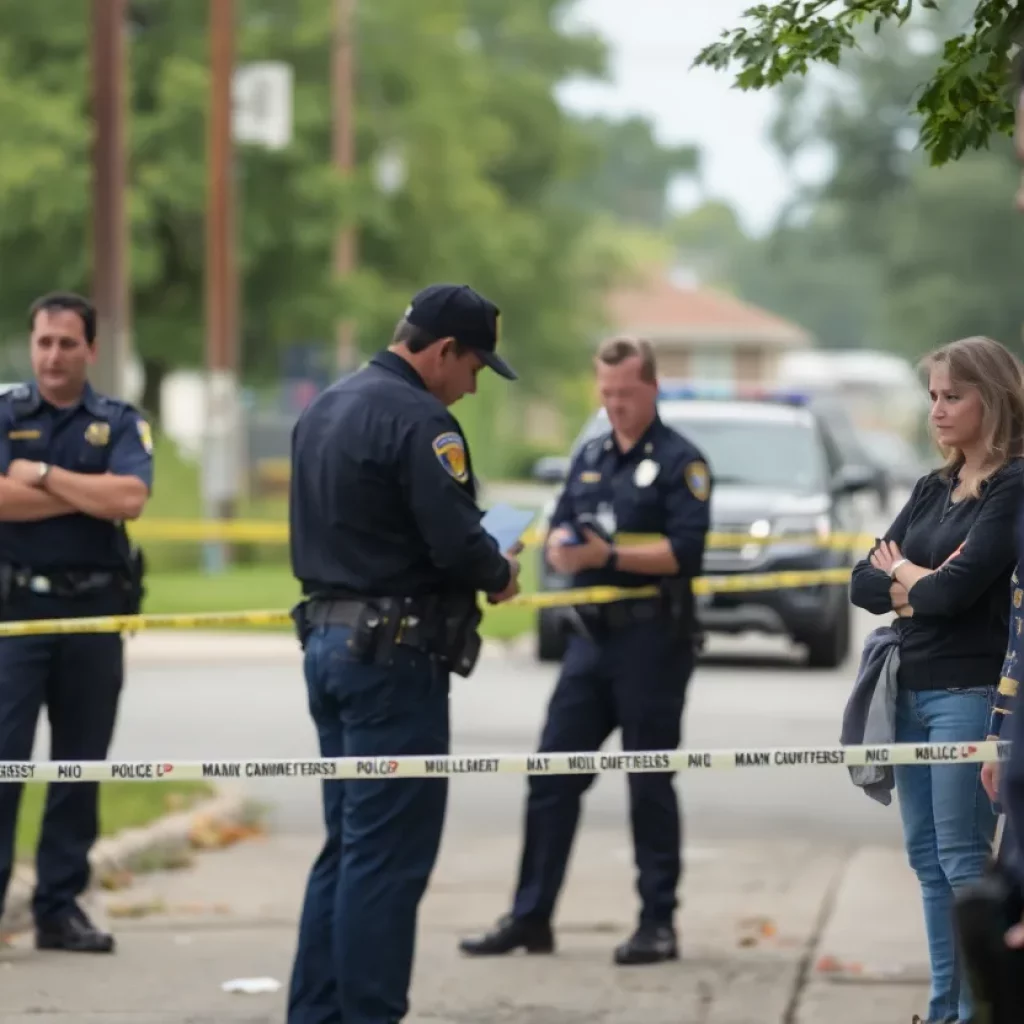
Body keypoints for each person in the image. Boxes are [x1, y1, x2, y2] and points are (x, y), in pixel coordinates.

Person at [285, 283, 522, 1024]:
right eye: (475, 365)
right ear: (442, 350)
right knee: (386, 861)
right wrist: (501, 568)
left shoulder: (324, 406)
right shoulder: (424, 422)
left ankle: (317, 1014)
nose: (476, 382)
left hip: (328, 641)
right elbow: (456, 545)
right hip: (394, 659)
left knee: (347, 847)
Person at [459, 336, 711, 967]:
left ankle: (658, 922)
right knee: (550, 776)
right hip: (590, 641)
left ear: (652, 388)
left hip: (654, 639)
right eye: (606, 393)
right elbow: (563, 522)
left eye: (626, 393)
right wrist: (559, 549)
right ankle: (530, 917)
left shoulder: (682, 462)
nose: (616, 405)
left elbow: (685, 551)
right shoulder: (591, 455)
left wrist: (610, 557)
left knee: (648, 781)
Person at [850, 335, 1024, 1024]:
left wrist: (907, 573)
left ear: (995, 397)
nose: (939, 411)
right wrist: (911, 578)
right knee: (926, 860)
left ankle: (971, 1011)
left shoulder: (1012, 483)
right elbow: (861, 581)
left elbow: (957, 596)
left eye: (954, 397)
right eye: (933, 397)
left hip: (970, 694)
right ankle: (944, 1007)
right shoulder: (932, 486)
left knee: (961, 862)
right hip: (911, 690)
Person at [0, 291, 152, 953]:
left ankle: (59, 909)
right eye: (44, 342)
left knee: (78, 766)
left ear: (91, 348)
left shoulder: (117, 421)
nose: (53, 355)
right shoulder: (6, 413)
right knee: (3, 764)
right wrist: (79, 494)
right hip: (15, 613)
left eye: (67, 343)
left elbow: (129, 497)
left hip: (93, 611)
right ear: (31, 344)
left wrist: (39, 477)